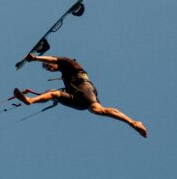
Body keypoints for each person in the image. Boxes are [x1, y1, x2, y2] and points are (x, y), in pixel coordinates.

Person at [13, 54, 148, 138]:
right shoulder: (65, 76)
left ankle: (133, 122)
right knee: (54, 93)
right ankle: (30, 100)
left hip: (84, 89)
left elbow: (53, 58)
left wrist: (36, 58)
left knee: (98, 110)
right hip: (76, 100)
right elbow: (53, 94)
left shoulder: (69, 62)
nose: (50, 69)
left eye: (49, 66)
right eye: (48, 69)